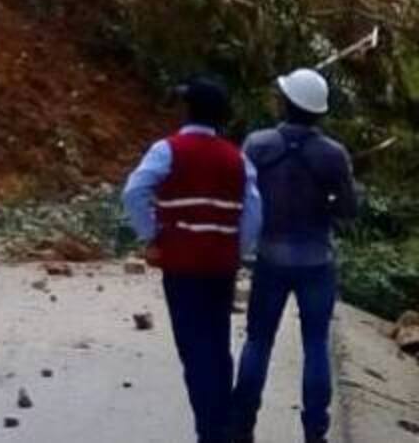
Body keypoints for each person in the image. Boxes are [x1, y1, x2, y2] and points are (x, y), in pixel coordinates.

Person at [122, 75, 262, 443]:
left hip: (181, 265)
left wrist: (152, 236)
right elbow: (254, 214)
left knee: (193, 348)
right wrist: (235, 248)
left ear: (188, 110)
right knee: (217, 345)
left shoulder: (167, 150)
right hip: (220, 266)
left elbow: (135, 191)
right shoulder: (238, 159)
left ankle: (212, 430)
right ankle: (225, 422)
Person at [230, 68, 358, 443]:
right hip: (316, 260)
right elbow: (349, 210)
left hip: (269, 256)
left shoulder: (257, 144)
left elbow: (242, 198)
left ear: (286, 103)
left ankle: (242, 424)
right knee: (316, 344)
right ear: (319, 112)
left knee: (258, 340)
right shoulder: (333, 155)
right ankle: (314, 430)